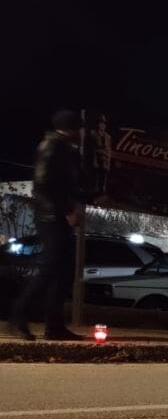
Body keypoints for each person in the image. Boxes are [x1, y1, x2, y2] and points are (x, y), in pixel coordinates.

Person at [10, 110, 87, 340]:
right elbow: (44, 183)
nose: (82, 133)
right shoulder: (53, 146)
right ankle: (18, 315)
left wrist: (87, 197)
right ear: (73, 128)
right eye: (80, 128)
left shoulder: (65, 149)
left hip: (56, 215)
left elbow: (69, 184)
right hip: (51, 216)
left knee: (62, 271)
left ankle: (54, 326)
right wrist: (65, 211)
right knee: (50, 268)